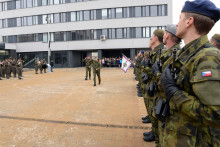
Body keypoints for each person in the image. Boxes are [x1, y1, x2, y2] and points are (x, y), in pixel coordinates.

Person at [160, 1, 220, 146]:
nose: (177, 23)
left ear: (189, 21)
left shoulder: (208, 57)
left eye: (180, 18)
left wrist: (175, 93)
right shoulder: (186, 54)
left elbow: (214, 115)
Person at [150, 24, 181, 146]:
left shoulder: (175, 54)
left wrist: (156, 73)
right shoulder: (169, 53)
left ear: (167, 36)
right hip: (162, 100)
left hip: (168, 103)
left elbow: (166, 82)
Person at [142, 29, 164, 145]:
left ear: (155, 38)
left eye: (151, 38)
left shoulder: (161, 52)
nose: (149, 40)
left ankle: (156, 137)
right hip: (152, 88)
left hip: (156, 89)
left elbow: (154, 72)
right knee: (152, 113)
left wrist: (146, 68)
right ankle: (154, 133)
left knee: (156, 114)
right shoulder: (155, 53)